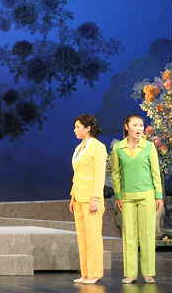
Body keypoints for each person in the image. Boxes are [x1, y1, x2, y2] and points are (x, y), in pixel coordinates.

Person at [111, 114, 164, 284]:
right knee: (129, 235)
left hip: (147, 197)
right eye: (135, 125)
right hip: (126, 197)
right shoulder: (118, 148)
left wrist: (158, 195)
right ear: (127, 127)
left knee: (147, 234)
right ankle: (130, 274)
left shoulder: (149, 146)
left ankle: (148, 273)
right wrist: (118, 195)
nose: (139, 128)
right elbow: (115, 174)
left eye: (141, 125)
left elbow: (156, 173)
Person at [69, 114, 107, 284]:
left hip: (92, 197)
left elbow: (99, 174)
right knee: (83, 237)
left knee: (93, 237)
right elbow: (77, 174)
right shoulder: (79, 147)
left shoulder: (97, 147)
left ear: (88, 128)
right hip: (79, 196)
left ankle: (95, 273)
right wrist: (73, 196)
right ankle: (85, 273)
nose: (75, 130)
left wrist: (96, 198)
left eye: (78, 127)